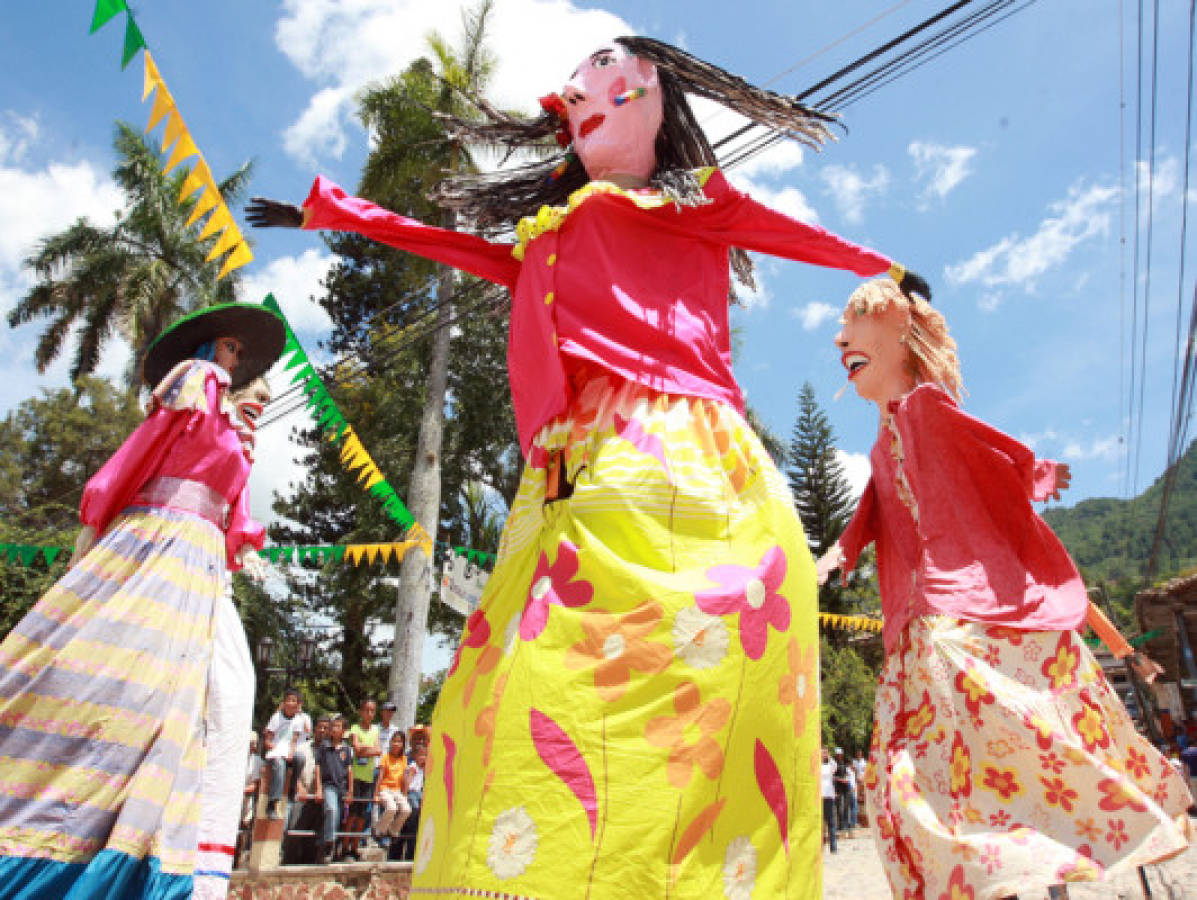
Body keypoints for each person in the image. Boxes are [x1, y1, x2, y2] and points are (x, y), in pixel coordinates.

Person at [248, 35, 930, 899]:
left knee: (669, 669)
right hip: (567, 465)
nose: (577, 96)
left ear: (652, 92)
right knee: (519, 675)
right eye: (573, 95)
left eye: (602, 78)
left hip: (677, 439)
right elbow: (463, 253)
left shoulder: (693, 205)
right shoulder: (551, 231)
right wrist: (342, 215)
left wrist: (886, 269)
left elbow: (784, 231)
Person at [817, 278, 1193, 897]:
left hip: (953, 605)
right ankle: (987, 860)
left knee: (983, 717)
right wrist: (834, 555)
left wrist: (1034, 468)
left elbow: (983, 439)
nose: (841, 342)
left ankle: (1036, 850)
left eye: (855, 328)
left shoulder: (929, 406)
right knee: (913, 754)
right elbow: (868, 513)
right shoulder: (881, 444)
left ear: (901, 341)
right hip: (916, 616)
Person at [0, 302, 284, 899]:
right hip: (165, 548)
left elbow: (234, 504)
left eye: (237, 355)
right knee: (131, 682)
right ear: (209, 352)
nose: (236, 362)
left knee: (211, 699)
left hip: (203, 564)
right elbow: (143, 449)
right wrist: (97, 512)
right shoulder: (199, 383)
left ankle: (178, 859)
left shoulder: (229, 432)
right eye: (230, 350)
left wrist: (246, 545)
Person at [264, 688, 313, 819]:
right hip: (275, 752)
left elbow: (294, 740)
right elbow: (267, 740)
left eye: (294, 701)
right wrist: (275, 748)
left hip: (288, 751)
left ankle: (292, 787)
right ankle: (273, 802)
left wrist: (290, 753)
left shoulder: (298, 720)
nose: (291, 703)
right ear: (284, 702)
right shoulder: (276, 717)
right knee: (279, 764)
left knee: (300, 758)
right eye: (289, 700)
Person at [315, 716, 354, 864]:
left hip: (342, 787)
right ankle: (328, 844)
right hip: (329, 785)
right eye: (333, 726)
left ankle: (333, 848)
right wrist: (319, 788)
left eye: (338, 726)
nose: (334, 729)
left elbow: (350, 770)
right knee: (331, 810)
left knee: (338, 818)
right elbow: (317, 767)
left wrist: (350, 791)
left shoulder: (346, 749)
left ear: (344, 730)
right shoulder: (324, 747)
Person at [345, 699, 380, 858]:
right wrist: (367, 748)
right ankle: (345, 846)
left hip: (368, 776)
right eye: (366, 710)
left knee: (361, 816)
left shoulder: (376, 730)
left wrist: (364, 748)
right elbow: (357, 749)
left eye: (372, 710)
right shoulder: (355, 728)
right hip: (356, 775)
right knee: (352, 814)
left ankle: (355, 846)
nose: (369, 713)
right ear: (361, 711)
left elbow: (378, 750)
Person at [374, 731, 412, 846]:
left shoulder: (404, 759)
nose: (396, 744)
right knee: (391, 808)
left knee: (406, 809)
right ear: (390, 743)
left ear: (403, 745)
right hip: (385, 788)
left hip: (397, 790)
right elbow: (380, 776)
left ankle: (393, 830)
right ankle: (379, 830)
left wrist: (405, 794)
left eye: (399, 742)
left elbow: (404, 778)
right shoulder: (386, 758)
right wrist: (376, 794)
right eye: (394, 741)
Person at [832, 749, 856, 835]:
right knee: (840, 807)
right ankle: (841, 825)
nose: (840, 755)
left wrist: (847, 777)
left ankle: (846, 824)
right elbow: (833, 777)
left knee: (846, 806)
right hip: (838, 788)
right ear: (836, 755)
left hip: (846, 788)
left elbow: (845, 774)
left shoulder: (843, 763)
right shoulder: (834, 765)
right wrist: (842, 780)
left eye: (841, 754)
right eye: (838, 754)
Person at [820, 748, 838, 854]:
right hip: (819, 796)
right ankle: (820, 847)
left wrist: (829, 756)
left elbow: (835, 766)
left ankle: (833, 847)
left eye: (825, 753)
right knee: (820, 823)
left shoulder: (829, 766)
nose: (823, 754)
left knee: (831, 822)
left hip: (829, 795)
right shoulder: (818, 766)